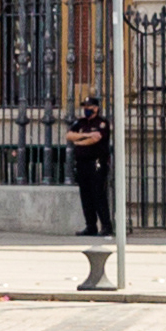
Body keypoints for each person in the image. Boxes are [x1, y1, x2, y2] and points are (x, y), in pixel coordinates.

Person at [65, 94, 114, 238]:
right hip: (82, 163)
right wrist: (87, 135)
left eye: (89, 107)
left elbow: (96, 139)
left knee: (98, 193)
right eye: (85, 107)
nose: (86, 109)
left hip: (97, 162)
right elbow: (69, 135)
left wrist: (80, 139)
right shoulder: (80, 123)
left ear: (96, 108)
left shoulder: (102, 123)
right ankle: (90, 225)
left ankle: (106, 225)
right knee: (85, 195)